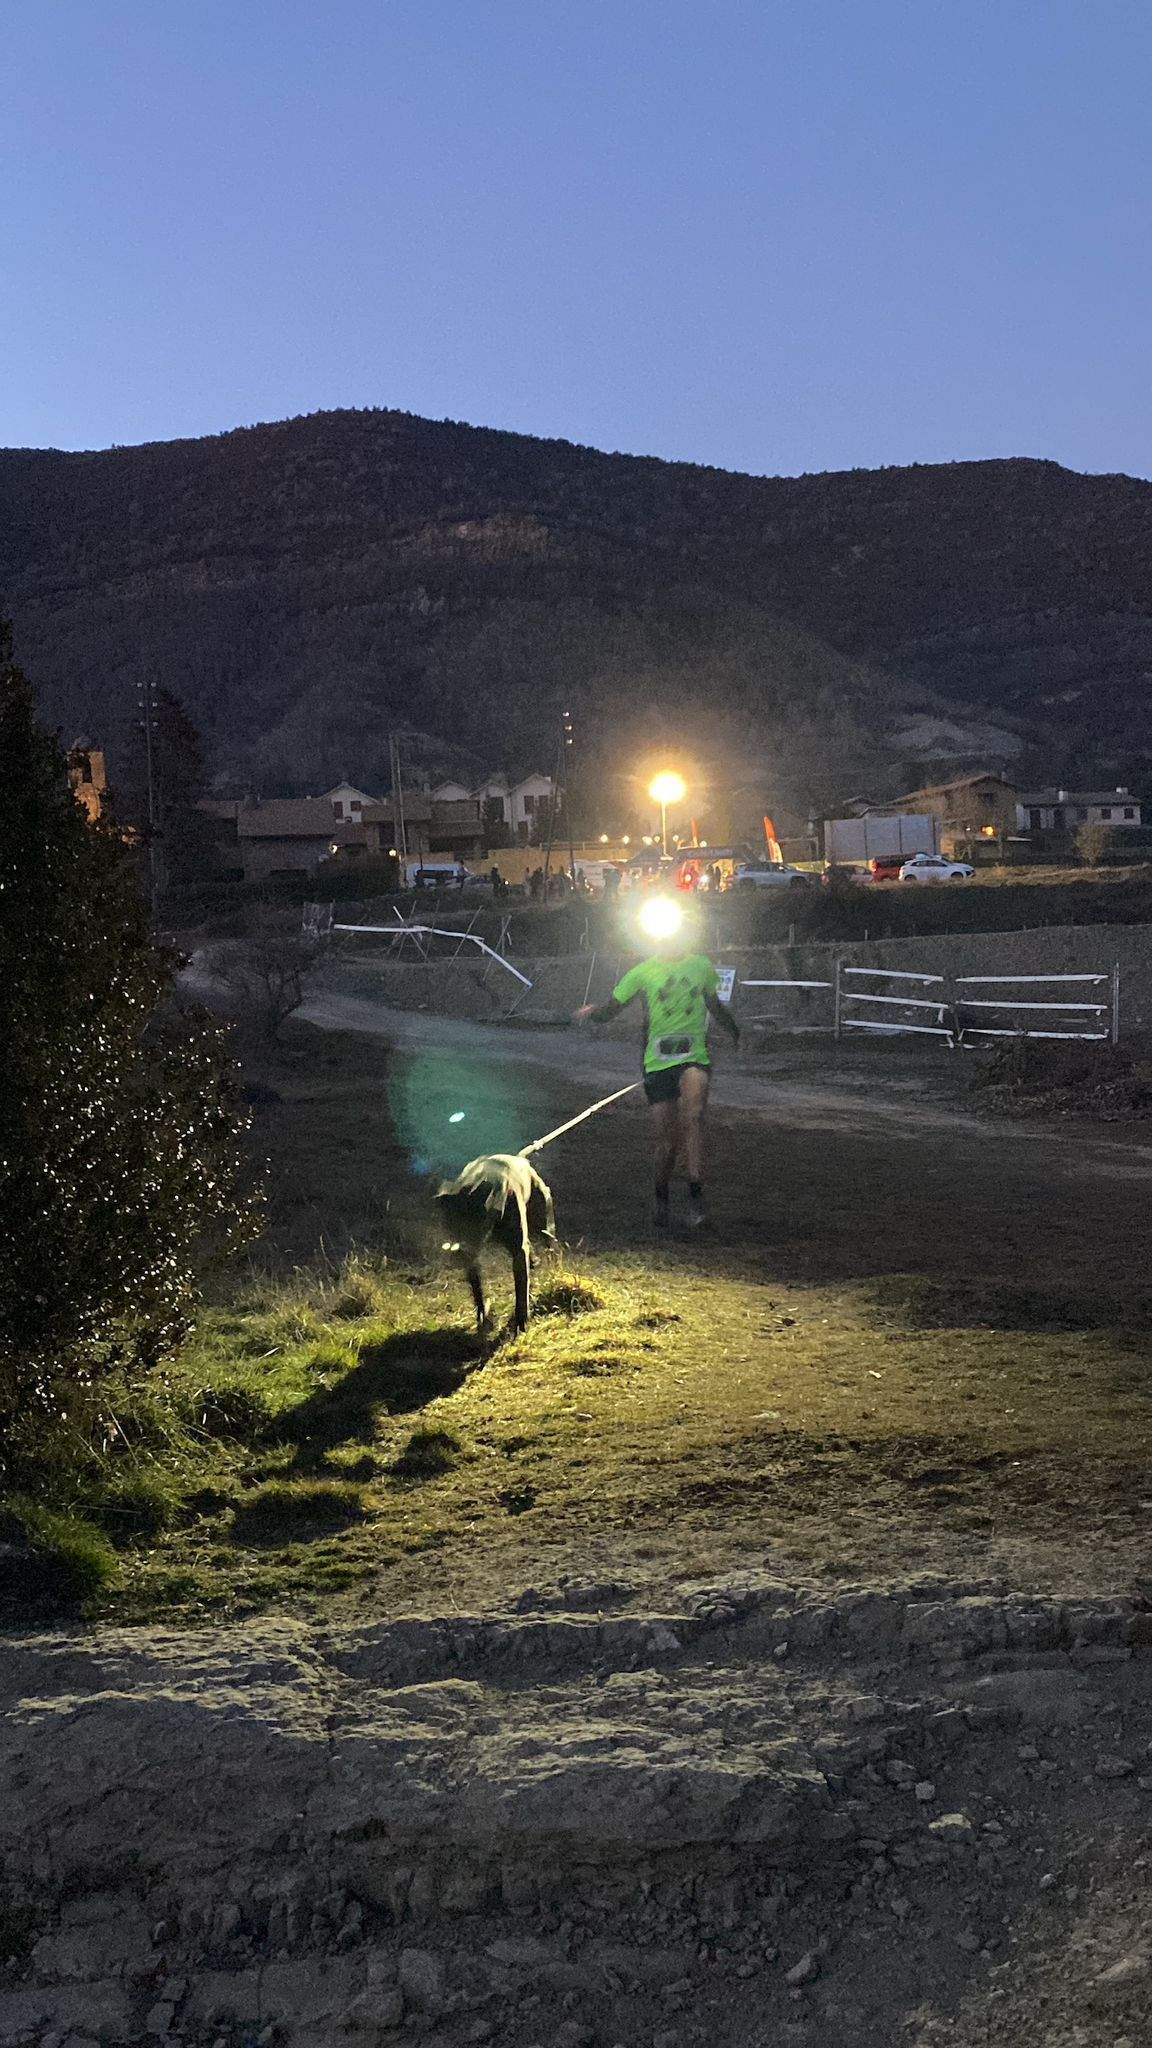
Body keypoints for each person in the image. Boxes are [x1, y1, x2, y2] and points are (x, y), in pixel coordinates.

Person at [574, 908, 738, 1229]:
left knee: (693, 1117)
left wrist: (734, 1030)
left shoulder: (701, 966)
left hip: (694, 1056)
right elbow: (613, 1008)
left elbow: (714, 1004)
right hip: (657, 1061)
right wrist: (592, 1014)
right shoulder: (642, 973)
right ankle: (661, 1194)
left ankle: (695, 1194)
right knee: (667, 1143)